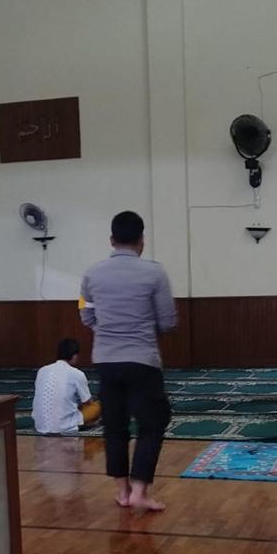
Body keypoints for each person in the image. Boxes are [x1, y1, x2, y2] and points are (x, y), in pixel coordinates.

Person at [80, 211, 177, 511]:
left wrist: (108, 330)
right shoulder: (155, 273)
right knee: (153, 423)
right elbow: (168, 321)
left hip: (106, 360)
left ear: (112, 240)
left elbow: (86, 314)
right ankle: (140, 491)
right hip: (142, 360)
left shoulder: (92, 274)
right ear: (141, 240)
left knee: (114, 425)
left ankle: (122, 492)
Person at [32, 338, 101, 434]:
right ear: (75, 356)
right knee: (97, 406)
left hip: (40, 426)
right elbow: (88, 401)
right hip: (63, 427)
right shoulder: (77, 374)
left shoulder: (42, 371)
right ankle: (83, 423)